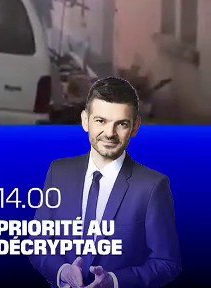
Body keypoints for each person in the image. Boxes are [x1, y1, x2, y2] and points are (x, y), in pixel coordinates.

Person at [30, 76, 181, 288]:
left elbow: (167, 263)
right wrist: (62, 271)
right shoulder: (59, 172)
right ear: (85, 121)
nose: (110, 133)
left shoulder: (153, 187)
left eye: (121, 124)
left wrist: (115, 282)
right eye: (100, 121)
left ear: (135, 127)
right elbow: (38, 244)